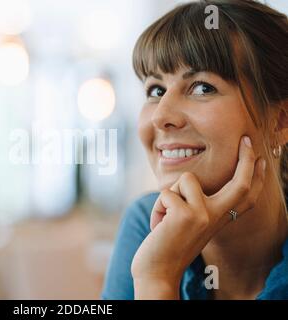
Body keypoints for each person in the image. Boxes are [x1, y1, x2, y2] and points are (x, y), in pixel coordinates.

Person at [102, 0, 288, 299]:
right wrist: (156, 274)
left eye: (202, 87)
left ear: (280, 121)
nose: (161, 116)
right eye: (156, 90)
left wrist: (157, 277)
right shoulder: (146, 224)